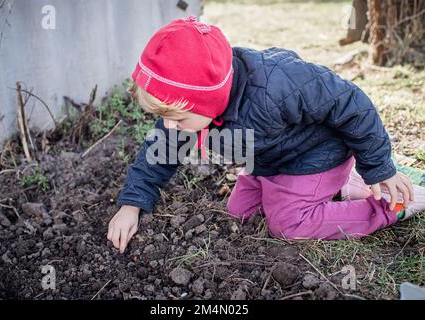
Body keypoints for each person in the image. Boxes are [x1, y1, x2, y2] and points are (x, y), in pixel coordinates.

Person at [107, 15, 424, 253]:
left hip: (314, 155)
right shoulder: (190, 111)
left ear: (210, 98)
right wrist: (131, 205)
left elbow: (351, 103)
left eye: (177, 118)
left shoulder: (275, 87)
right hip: (269, 160)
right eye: (164, 117)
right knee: (239, 213)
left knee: (287, 223)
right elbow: (161, 148)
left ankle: (390, 206)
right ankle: (343, 185)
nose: (171, 126)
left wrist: (379, 168)